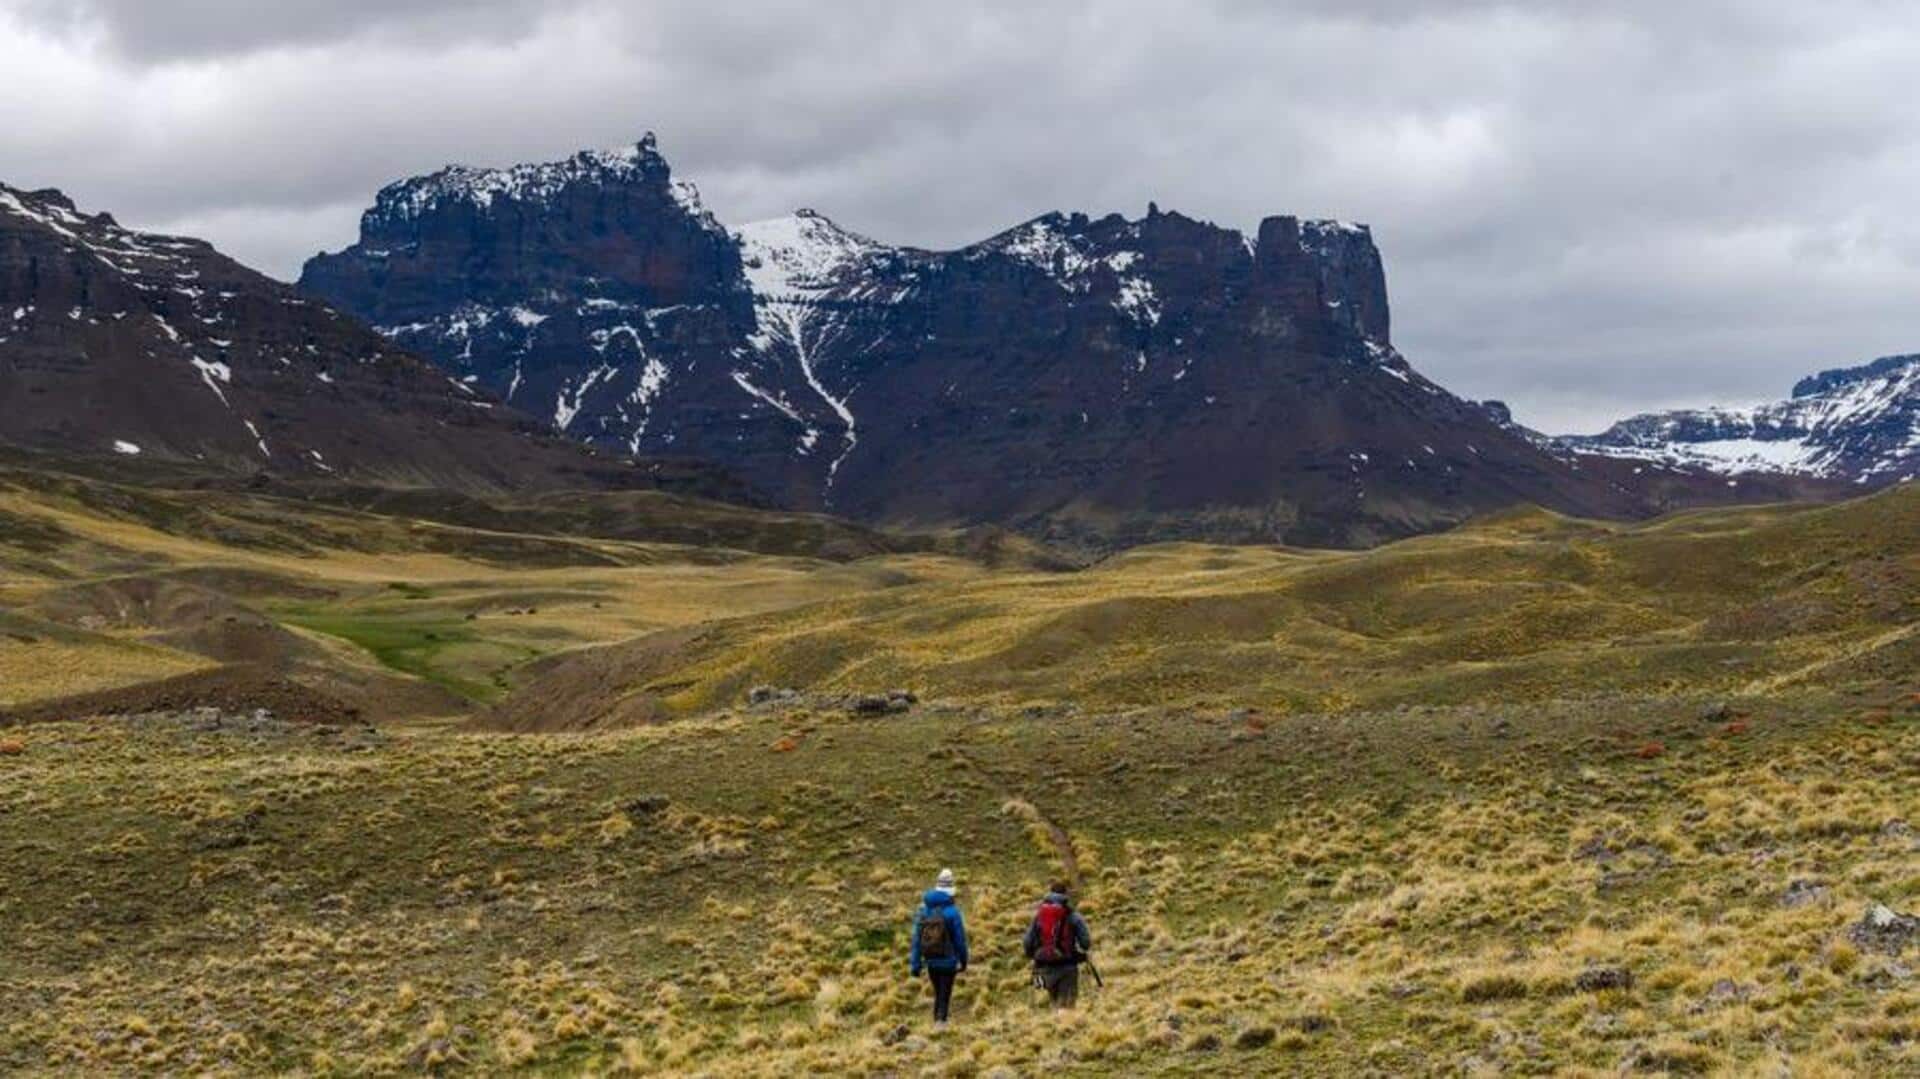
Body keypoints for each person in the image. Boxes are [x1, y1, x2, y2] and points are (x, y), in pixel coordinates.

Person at [909, 868, 969, 1024]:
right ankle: (940, 1023)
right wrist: (963, 960)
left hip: (930, 960)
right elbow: (960, 940)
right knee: (944, 993)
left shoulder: (923, 911)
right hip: (949, 961)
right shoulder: (953, 912)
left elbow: (916, 939)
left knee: (938, 992)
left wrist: (915, 964)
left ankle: (938, 1021)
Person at [1024, 880, 1092, 1008]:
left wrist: (1034, 955)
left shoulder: (1039, 915)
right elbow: (1085, 943)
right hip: (1067, 967)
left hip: (1045, 968)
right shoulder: (1073, 915)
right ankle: (1065, 1026)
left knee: (1055, 1003)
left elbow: (1027, 942)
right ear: (1065, 894)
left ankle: (1056, 1024)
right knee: (1067, 1007)